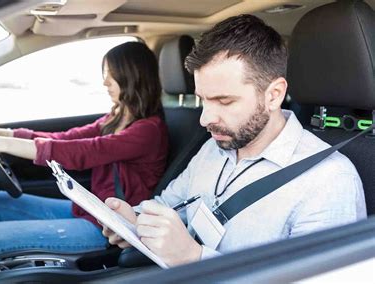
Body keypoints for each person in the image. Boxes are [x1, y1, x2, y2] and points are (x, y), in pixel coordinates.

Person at [101, 15, 367, 267]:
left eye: (224, 101)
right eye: (203, 99)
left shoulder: (328, 181)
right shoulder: (213, 148)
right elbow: (167, 205)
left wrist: (195, 259)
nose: (205, 119)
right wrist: (133, 221)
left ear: (273, 95)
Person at [0, 41, 169, 265]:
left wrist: (0, 144)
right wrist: (2, 134)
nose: (104, 82)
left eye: (111, 75)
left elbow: (82, 151)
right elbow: (67, 137)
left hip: (106, 229)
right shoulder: (117, 116)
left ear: (132, 76)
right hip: (89, 210)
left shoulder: (148, 130)